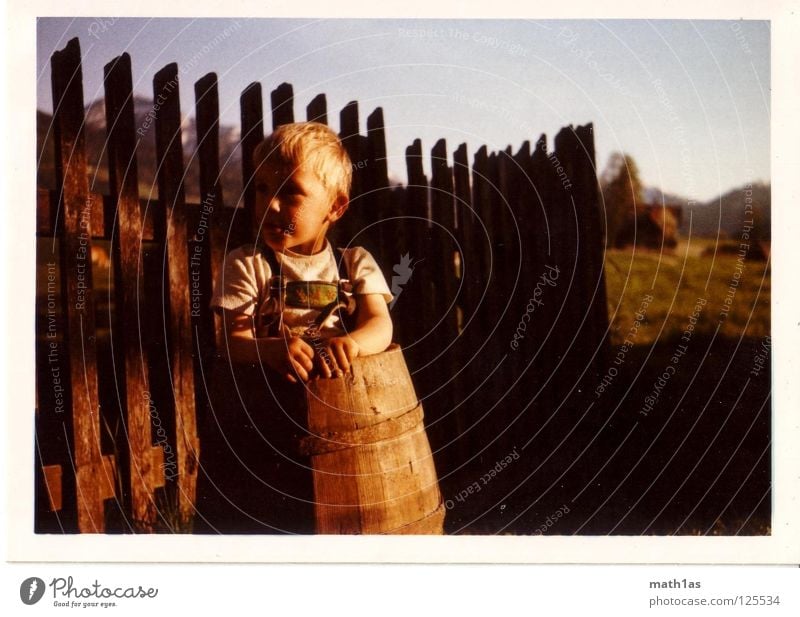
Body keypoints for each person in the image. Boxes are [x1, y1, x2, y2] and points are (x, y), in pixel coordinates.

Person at [195, 122, 393, 533]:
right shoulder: (247, 265)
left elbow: (380, 325)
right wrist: (268, 349)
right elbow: (232, 341)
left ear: (335, 208)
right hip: (263, 419)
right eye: (263, 190)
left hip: (340, 416)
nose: (270, 206)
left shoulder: (353, 263)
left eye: (290, 192)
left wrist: (352, 344)